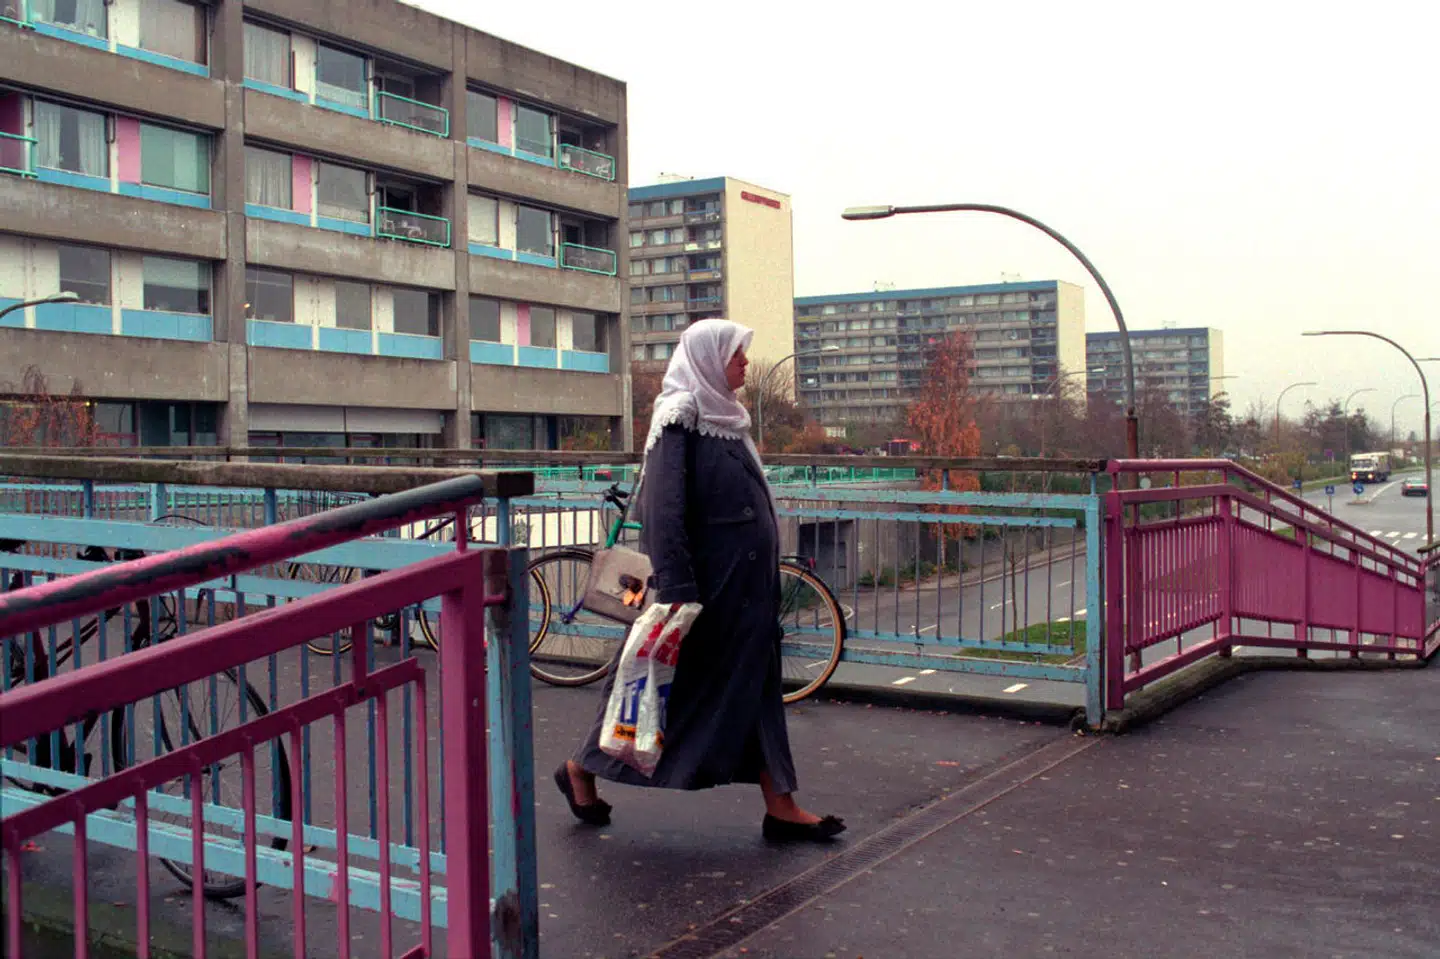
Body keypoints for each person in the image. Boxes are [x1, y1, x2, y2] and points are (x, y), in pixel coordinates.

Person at [556, 319, 845, 843]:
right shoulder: (680, 416)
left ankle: (781, 805)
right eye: (737, 353)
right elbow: (662, 511)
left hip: (744, 589)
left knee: (755, 685)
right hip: (705, 590)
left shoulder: (726, 417)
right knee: (662, 690)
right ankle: (582, 767)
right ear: (709, 359)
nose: (745, 362)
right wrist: (677, 587)